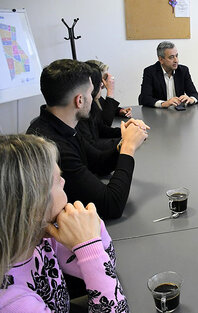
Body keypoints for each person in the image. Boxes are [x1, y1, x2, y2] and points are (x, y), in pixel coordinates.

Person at [0, 134, 129, 312]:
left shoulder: (41, 238)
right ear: (33, 205)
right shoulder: (14, 303)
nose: (64, 181)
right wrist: (88, 244)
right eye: (56, 180)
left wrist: (91, 229)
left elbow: (106, 266)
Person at [27, 59, 148, 219]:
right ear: (80, 100)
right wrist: (128, 149)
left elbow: (97, 162)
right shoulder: (54, 147)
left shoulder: (60, 125)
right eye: (91, 93)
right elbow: (111, 206)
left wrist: (124, 142)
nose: (93, 99)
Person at [138, 41, 198, 108]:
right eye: (171, 57)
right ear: (161, 59)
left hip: (179, 113)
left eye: (176, 56)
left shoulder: (183, 71)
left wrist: (191, 99)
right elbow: (144, 98)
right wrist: (163, 103)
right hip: (158, 114)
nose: (176, 60)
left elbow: (194, 94)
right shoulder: (150, 72)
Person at [76, 61, 121, 151]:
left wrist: (125, 131)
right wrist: (125, 141)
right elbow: (92, 146)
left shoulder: (91, 102)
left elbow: (101, 128)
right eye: (101, 80)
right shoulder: (82, 111)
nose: (103, 84)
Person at [86, 59, 132, 125]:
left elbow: (105, 107)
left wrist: (120, 111)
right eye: (103, 78)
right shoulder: (89, 100)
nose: (104, 83)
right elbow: (105, 123)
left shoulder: (97, 98)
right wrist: (110, 91)